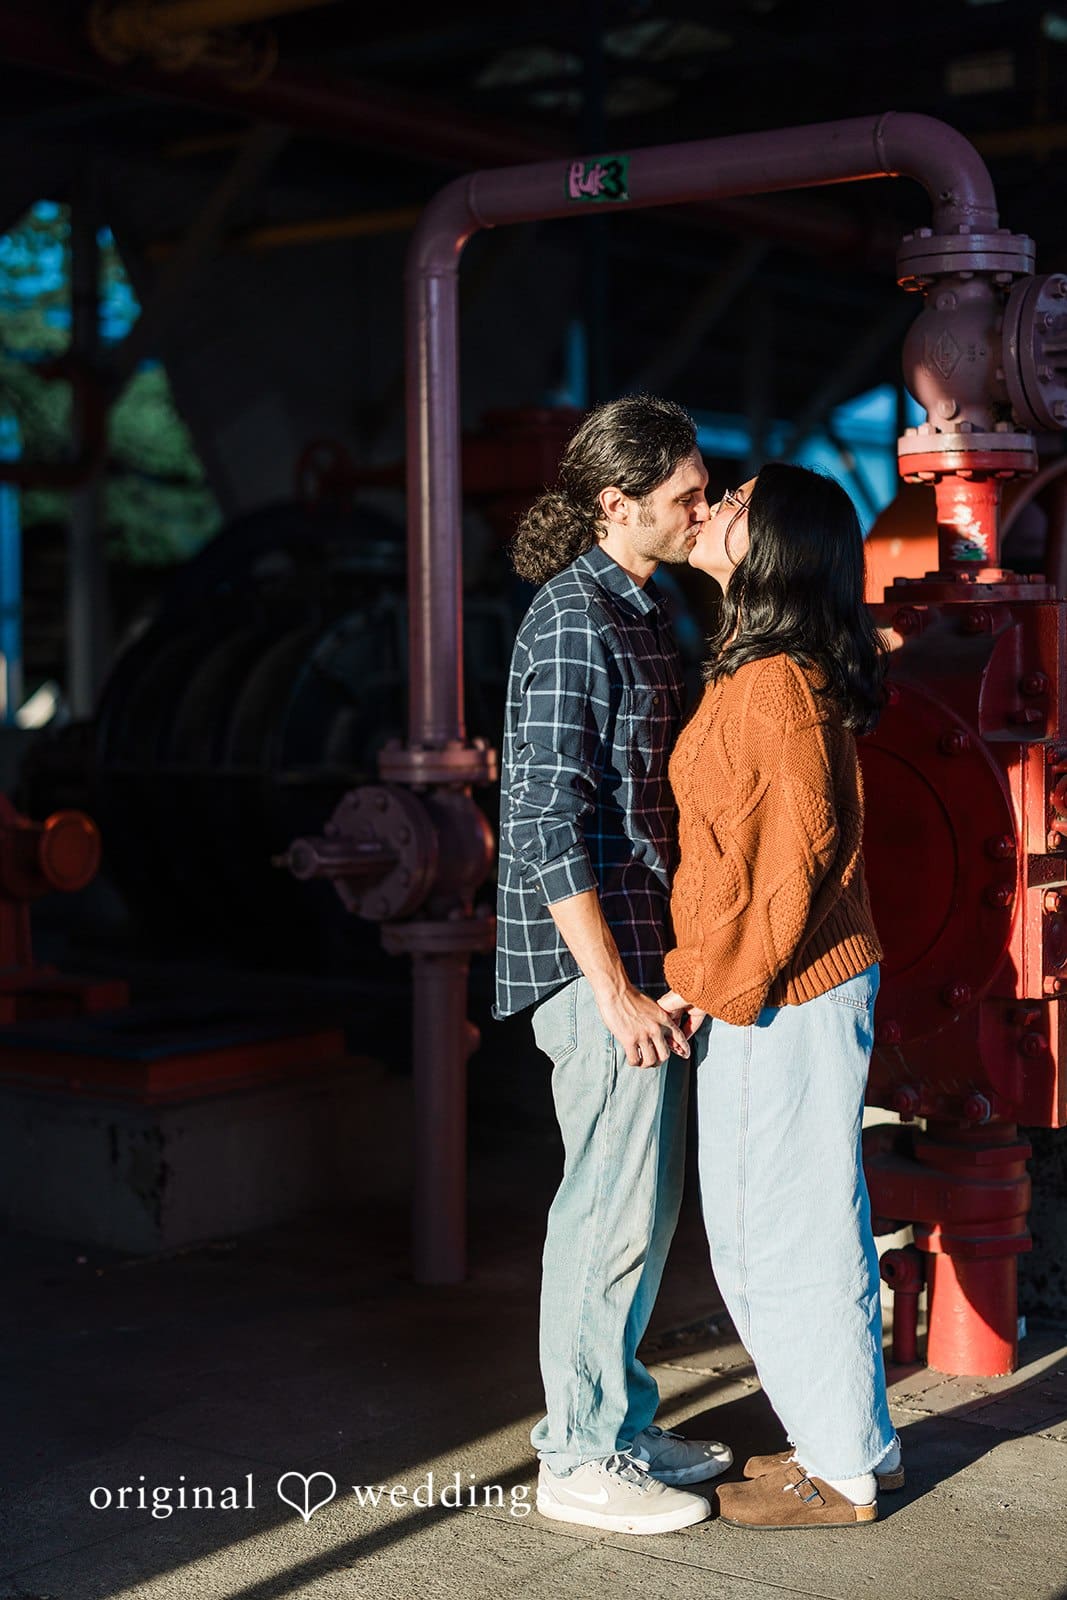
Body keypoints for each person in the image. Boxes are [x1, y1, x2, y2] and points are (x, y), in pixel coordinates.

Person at [494, 395, 732, 1536]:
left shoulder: (641, 611)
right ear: (615, 503)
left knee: (644, 1201)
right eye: (685, 495)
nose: (703, 506)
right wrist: (612, 988)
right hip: (599, 970)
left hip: (644, 955)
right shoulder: (567, 619)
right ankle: (576, 1451)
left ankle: (622, 1420)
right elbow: (544, 817)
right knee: (606, 1208)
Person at [658, 461, 902, 1530]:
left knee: (775, 1231)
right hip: (789, 985)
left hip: (780, 991)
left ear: (777, 548)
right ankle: (844, 1444)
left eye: (734, 503)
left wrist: (706, 987)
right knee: (794, 1219)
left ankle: (841, 1470)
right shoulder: (765, 666)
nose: (708, 509)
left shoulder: (769, 683)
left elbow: (784, 863)